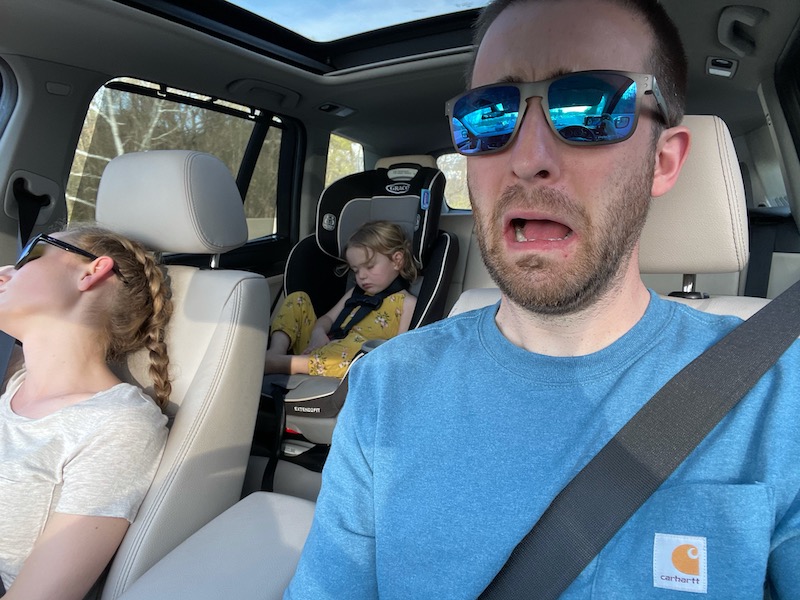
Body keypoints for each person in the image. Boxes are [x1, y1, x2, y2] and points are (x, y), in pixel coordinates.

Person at [285, 0, 800, 598]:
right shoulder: (385, 385)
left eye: (591, 109)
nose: (528, 160)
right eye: (488, 116)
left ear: (662, 162)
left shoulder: (777, 393)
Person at [0, 225, 172, 600]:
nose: (4, 271)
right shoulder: (14, 389)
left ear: (91, 272)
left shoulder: (118, 423)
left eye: (30, 255)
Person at [265, 220, 418, 378]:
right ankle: (276, 351)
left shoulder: (407, 303)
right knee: (298, 299)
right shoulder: (355, 293)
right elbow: (327, 319)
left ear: (397, 261)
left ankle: (282, 364)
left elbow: (396, 352)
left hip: (347, 360)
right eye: (356, 270)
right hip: (319, 347)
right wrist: (318, 333)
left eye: (370, 266)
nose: (362, 276)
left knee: (358, 352)